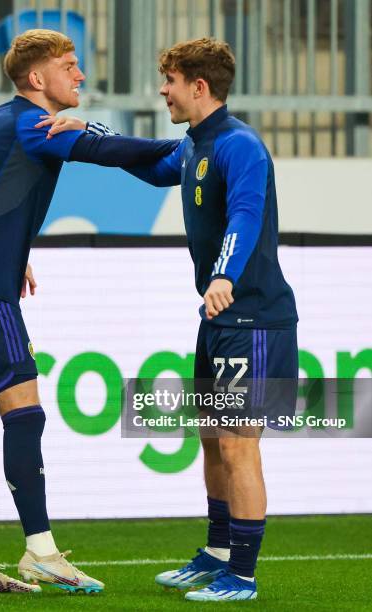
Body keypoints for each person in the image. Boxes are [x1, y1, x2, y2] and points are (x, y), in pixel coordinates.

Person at [0, 28, 178, 595]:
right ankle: (40, 552)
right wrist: (197, 149)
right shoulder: (38, 125)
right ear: (38, 79)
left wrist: (15, 254)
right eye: (69, 65)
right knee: (25, 412)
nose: (79, 75)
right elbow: (118, 155)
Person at [45, 36, 298, 602]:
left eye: (170, 81)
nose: (163, 90)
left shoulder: (241, 146)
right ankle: (217, 552)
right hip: (221, 320)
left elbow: (246, 212)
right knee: (212, 438)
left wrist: (224, 275)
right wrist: (85, 138)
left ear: (198, 86)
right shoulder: (198, 144)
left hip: (252, 317)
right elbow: (151, 159)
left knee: (238, 443)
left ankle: (243, 575)